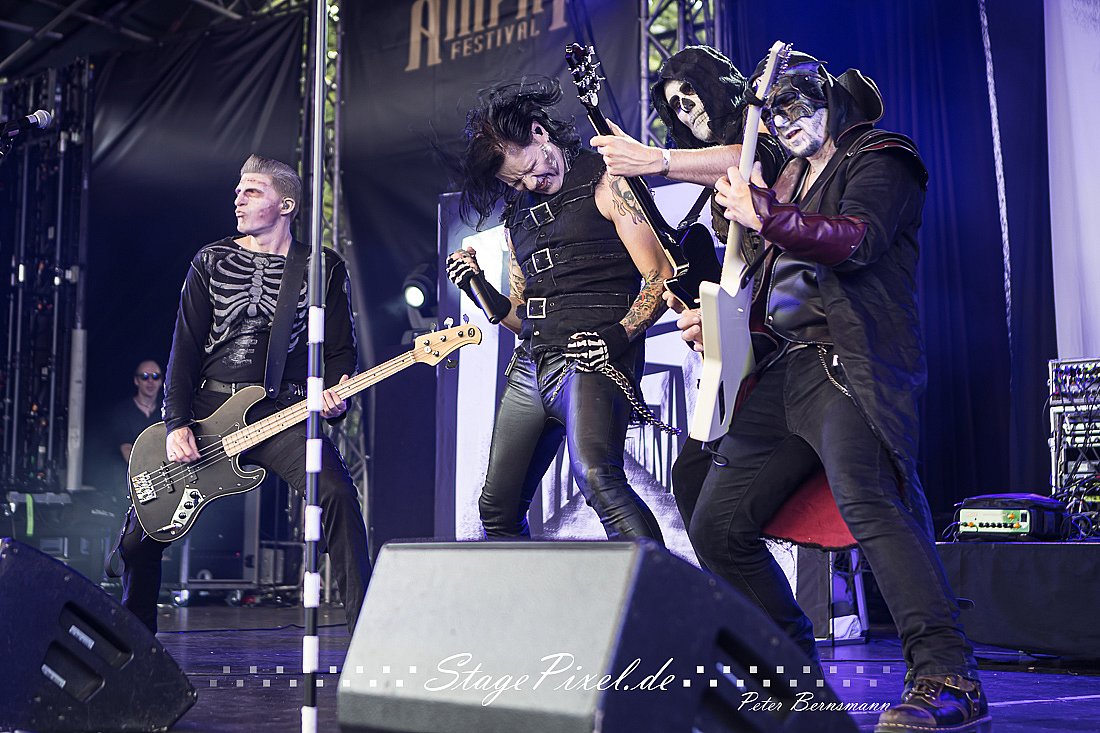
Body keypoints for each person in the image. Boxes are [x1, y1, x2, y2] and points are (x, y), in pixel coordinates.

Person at [673, 51, 988, 732]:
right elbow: (774, 298)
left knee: (870, 499)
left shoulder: (881, 156)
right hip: (785, 372)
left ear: (832, 98)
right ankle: (793, 676)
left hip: (851, 360)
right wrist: (714, 321)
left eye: (796, 103)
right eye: (772, 111)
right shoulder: (790, 183)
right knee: (714, 523)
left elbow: (856, 242)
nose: (784, 120)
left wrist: (765, 214)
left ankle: (948, 674)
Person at [117, 154, 371, 633]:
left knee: (337, 493)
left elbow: (340, 353)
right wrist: (177, 423)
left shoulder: (322, 267)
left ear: (286, 205)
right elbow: (184, 349)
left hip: (280, 412)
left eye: (252, 191)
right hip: (208, 409)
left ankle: (367, 634)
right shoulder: (211, 261)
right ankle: (138, 649)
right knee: (138, 540)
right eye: (238, 190)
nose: (238, 198)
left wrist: (339, 393)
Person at [446, 78, 672, 542]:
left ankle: (661, 586)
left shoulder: (607, 181)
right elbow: (521, 315)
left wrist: (616, 336)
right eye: (516, 181)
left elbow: (660, 276)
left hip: (594, 359)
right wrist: (477, 286)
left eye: (532, 168)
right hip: (532, 366)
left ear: (540, 132)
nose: (531, 183)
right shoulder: (516, 218)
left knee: (597, 476)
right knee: (496, 509)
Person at [590, 45, 786, 529]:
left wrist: (652, 159)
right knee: (692, 480)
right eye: (674, 104)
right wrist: (702, 311)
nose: (685, 108)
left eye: (690, 92)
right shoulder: (705, 183)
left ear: (716, 84)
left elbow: (750, 160)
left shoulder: (760, 124)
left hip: (793, 334)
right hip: (751, 338)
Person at [113, 360, 164, 468]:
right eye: (144, 376)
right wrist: (145, 471)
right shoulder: (123, 411)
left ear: (161, 381)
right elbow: (126, 448)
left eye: (155, 376)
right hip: (133, 471)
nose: (150, 381)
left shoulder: (168, 409)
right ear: (136, 381)